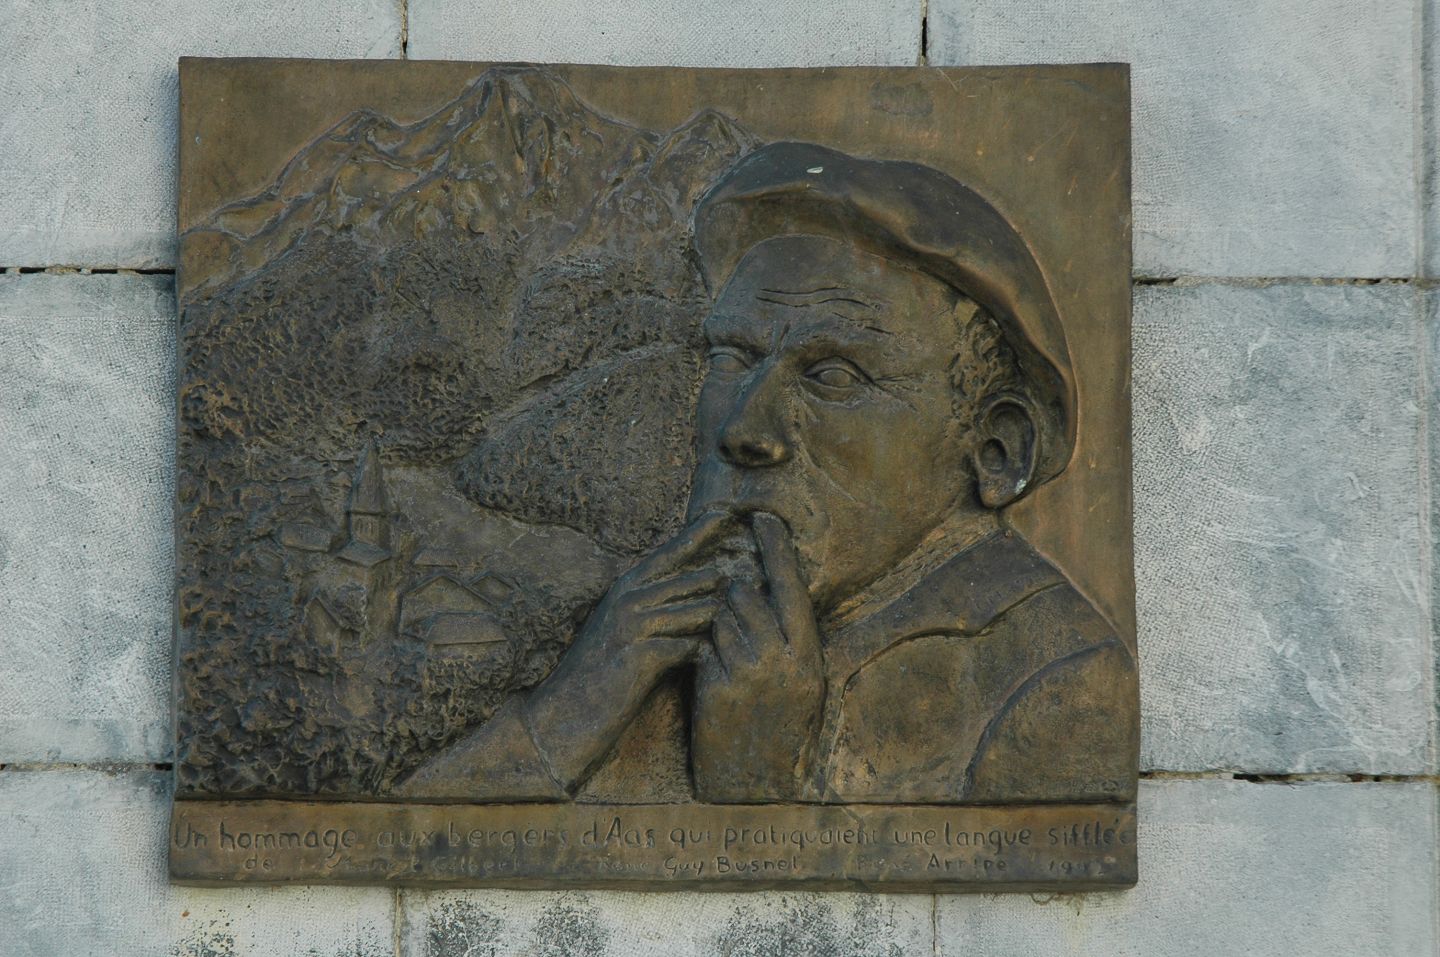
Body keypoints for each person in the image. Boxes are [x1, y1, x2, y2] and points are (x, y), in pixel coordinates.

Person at [396, 142, 1138, 805]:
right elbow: (405, 841)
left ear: (994, 449)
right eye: (733, 359)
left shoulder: (1061, 687)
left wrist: (759, 788)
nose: (743, 431)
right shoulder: (659, 623)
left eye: (834, 377)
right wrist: (572, 709)